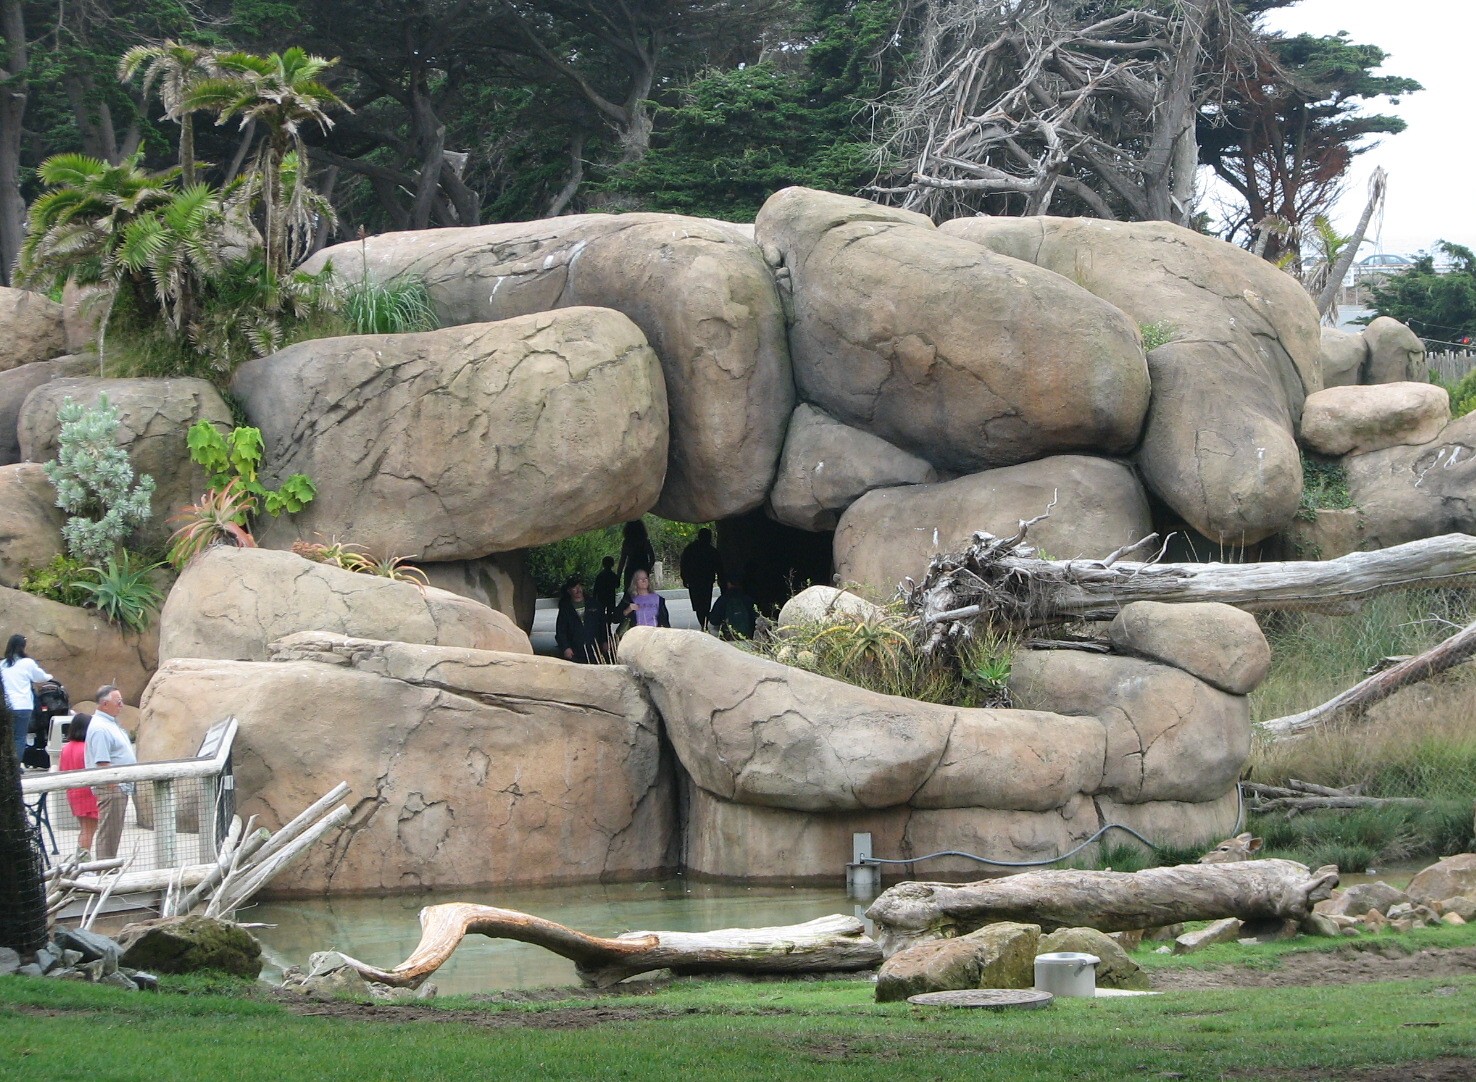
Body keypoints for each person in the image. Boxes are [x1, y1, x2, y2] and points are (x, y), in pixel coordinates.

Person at [85, 685, 136, 861]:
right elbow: (102, 761)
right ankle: (104, 873)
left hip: (119, 787)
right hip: (112, 788)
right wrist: (114, 787)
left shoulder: (110, 723)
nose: (122, 705)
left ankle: (108, 869)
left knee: (113, 834)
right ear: (105, 704)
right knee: (108, 835)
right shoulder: (100, 728)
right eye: (118, 702)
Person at [2, 634, 52, 763]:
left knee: (6, 737)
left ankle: (5, 766)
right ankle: (15, 766)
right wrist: (49, 676)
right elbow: (39, 677)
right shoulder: (27, 663)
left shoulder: (2, 664)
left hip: (6, 706)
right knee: (19, 737)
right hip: (23, 706)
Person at [61, 713, 99, 855]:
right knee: (89, 831)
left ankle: (81, 859)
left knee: (84, 829)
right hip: (88, 794)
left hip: (73, 793)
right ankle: (84, 862)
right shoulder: (86, 748)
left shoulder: (66, 748)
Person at [679, 528, 723, 630]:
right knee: (705, 604)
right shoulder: (711, 550)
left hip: (695, 582)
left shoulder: (690, 549)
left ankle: (703, 624)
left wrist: (684, 578)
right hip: (705, 581)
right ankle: (704, 623)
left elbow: (683, 564)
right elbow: (719, 566)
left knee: (699, 605)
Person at [554, 576, 596, 663]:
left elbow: (602, 624)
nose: (578, 589)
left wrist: (605, 641)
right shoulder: (565, 608)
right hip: (575, 651)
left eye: (580, 586)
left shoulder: (594, 604)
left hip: (594, 649)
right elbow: (560, 630)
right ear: (569, 591)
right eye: (574, 587)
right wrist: (565, 648)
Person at [615, 520, 656, 593]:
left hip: (631, 570)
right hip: (643, 569)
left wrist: (618, 576)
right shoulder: (645, 542)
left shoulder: (627, 542)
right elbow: (652, 557)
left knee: (629, 595)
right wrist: (647, 568)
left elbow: (622, 560)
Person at [592, 556, 620, 632]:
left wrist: (594, 598)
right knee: (610, 612)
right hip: (610, 596)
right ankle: (608, 625)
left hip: (601, 597)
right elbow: (617, 585)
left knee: (601, 612)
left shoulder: (600, 575)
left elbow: (596, 588)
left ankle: (602, 626)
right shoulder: (613, 575)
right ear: (612, 564)